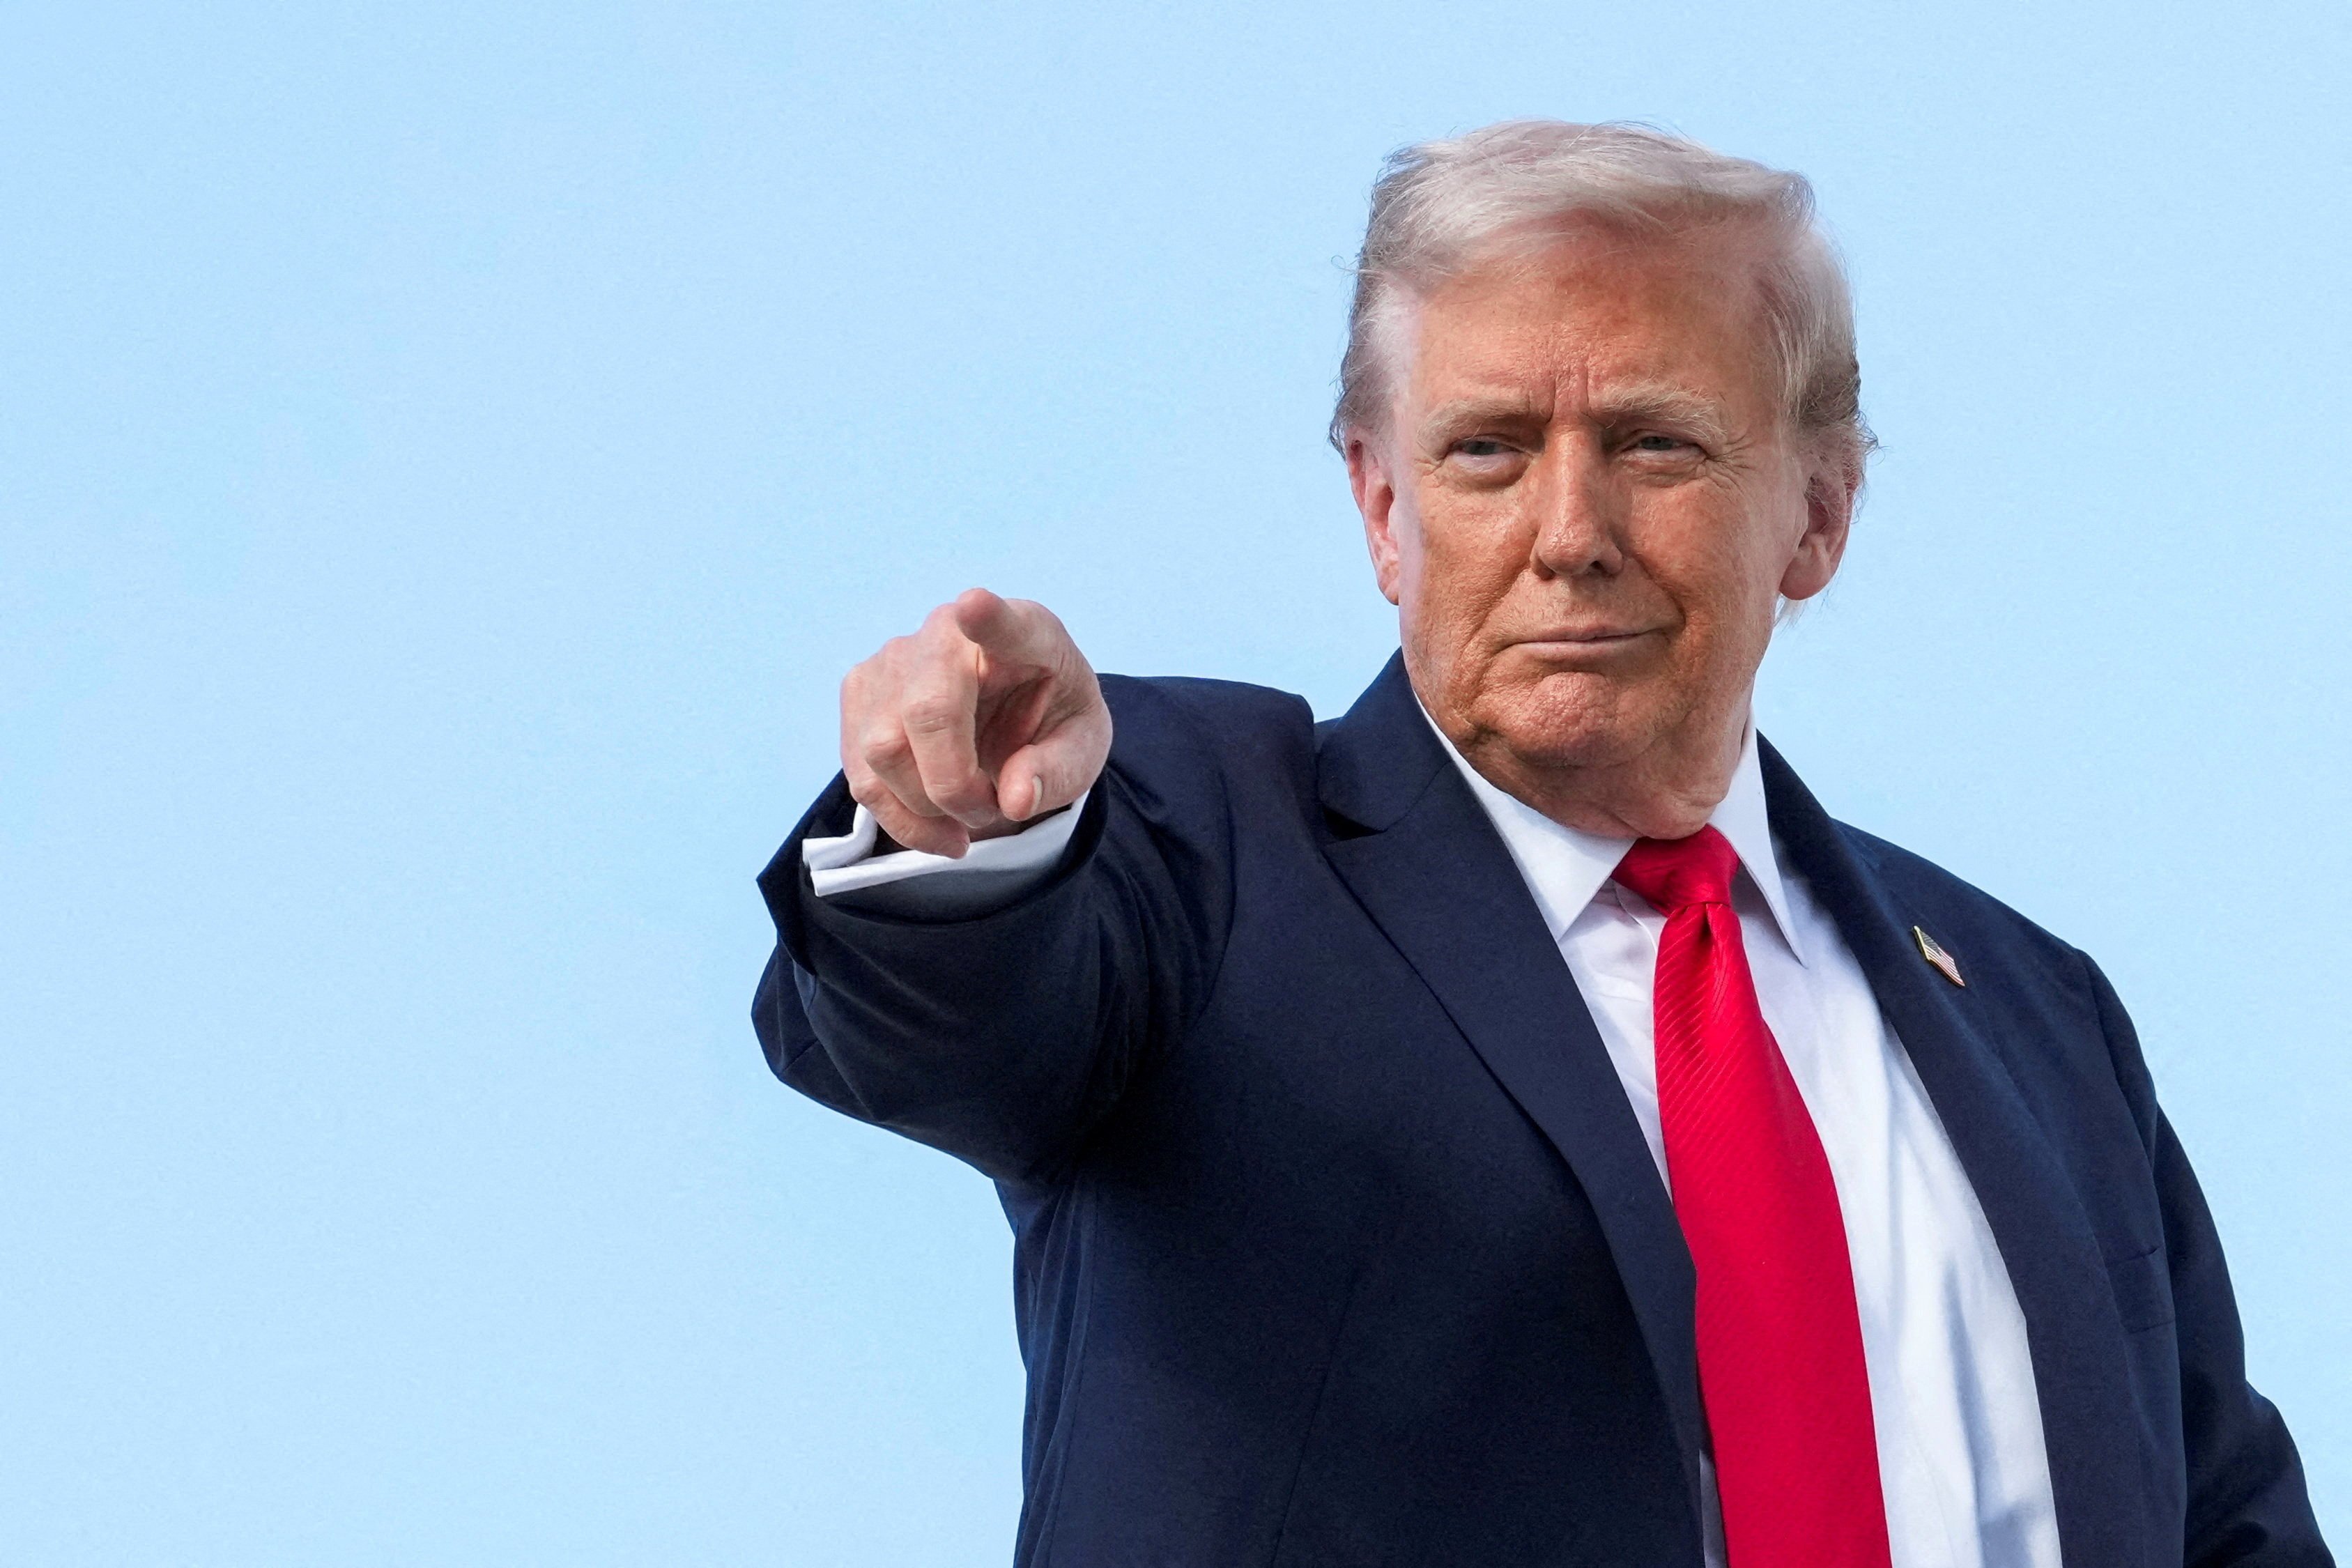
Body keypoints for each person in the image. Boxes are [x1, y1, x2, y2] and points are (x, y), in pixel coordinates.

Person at [752, 121, 2332, 1567]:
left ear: (1819, 514)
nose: (1567, 531)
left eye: (1654, 444)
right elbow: (958, 1018)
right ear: (1380, 510)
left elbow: (2225, 1526)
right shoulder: (1200, 853)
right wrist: (954, 830)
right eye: (1486, 451)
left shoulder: (2036, 1015)